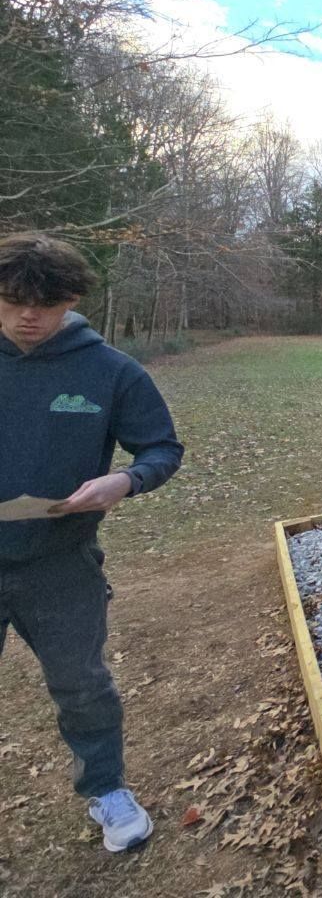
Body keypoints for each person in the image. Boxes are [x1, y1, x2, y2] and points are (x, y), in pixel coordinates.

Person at [0, 232, 184, 853]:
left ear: (71, 300)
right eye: (10, 301)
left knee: (81, 684)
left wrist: (125, 480)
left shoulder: (109, 371)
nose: (27, 316)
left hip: (60, 564)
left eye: (45, 304)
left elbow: (161, 448)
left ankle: (106, 789)